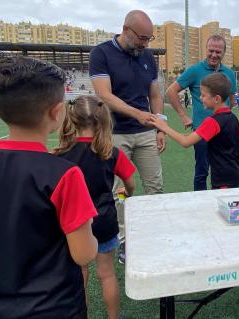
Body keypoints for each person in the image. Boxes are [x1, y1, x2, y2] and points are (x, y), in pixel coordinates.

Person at [0, 56, 98, 318]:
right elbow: (84, 254)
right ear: (56, 112)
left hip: (1, 308)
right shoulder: (65, 175)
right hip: (56, 307)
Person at [89, 10, 165, 263]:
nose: (145, 44)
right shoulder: (101, 53)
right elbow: (104, 95)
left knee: (155, 186)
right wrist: (137, 114)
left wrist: (159, 126)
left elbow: (155, 95)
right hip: (115, 135)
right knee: (119, 192)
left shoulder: (148, 57)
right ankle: (123, 240)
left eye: (149, 39)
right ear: (126, 29)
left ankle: (154, 234)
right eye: (142, 38)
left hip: (145, 134)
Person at [56, 95, 136, 319]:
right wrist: (127, 194)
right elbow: (130, 183)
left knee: (80, 274)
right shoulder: (111, 152)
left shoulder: (60, 155)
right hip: (104, 221)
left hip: (74, 224)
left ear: (72, 118)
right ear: (102, 119)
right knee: (107, 274)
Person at [166, 34, 237, 191]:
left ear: (224, 52)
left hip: (223, 133)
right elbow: (171, 91)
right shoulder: (195, 70)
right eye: (211, 50)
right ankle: (200, 204)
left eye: (218, 52)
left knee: (224, 170)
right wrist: (183, 116)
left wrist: (225, 119)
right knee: (202, 172)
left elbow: (231, 100)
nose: (214, 55)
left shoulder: (230, 74)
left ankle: (221, 202)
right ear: (206, 49)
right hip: (202, 132)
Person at [151, 73, 239, 189]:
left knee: (224, 205)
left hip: (222, 178)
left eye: (203, 95)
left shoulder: (212, 121)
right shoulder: (233, 117)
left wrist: (163, 126)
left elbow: (186, 142)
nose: (200, 98)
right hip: (235, 173)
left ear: (216, 99)